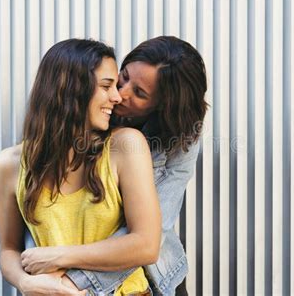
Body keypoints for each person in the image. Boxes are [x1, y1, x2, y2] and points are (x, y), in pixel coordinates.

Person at [22, 36, 208, 295]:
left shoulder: (181, 140)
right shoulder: (91, 112)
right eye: (124, 77)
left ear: (162, 108)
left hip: (147, 279)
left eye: (139, 93)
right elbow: (43, 214)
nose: (120, 94)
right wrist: (29, 277)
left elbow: (149, 239)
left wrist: (70, 279)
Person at [0, 38, 161, 296]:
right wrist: (25, 282)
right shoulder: (10, 165)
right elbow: (8, 250)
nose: (117, 97)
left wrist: (59, 257)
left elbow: (147, 245)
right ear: (69, 89)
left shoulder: (125, 146)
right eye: (107, 86)